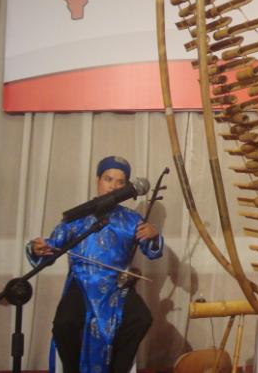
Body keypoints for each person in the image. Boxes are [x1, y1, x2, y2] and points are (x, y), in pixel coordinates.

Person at [26, 155, 163, 373]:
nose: (113, 186)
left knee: (141, 318)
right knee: (64, 324)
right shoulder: (77, 216)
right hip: (81, 282)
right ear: (97, 180)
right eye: (108, 179)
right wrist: (38, 247)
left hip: (116, 285)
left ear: (127, 188)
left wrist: (154, 235)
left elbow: (151, 250)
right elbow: (52, 245)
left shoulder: (132, 219)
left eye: (120, 182)